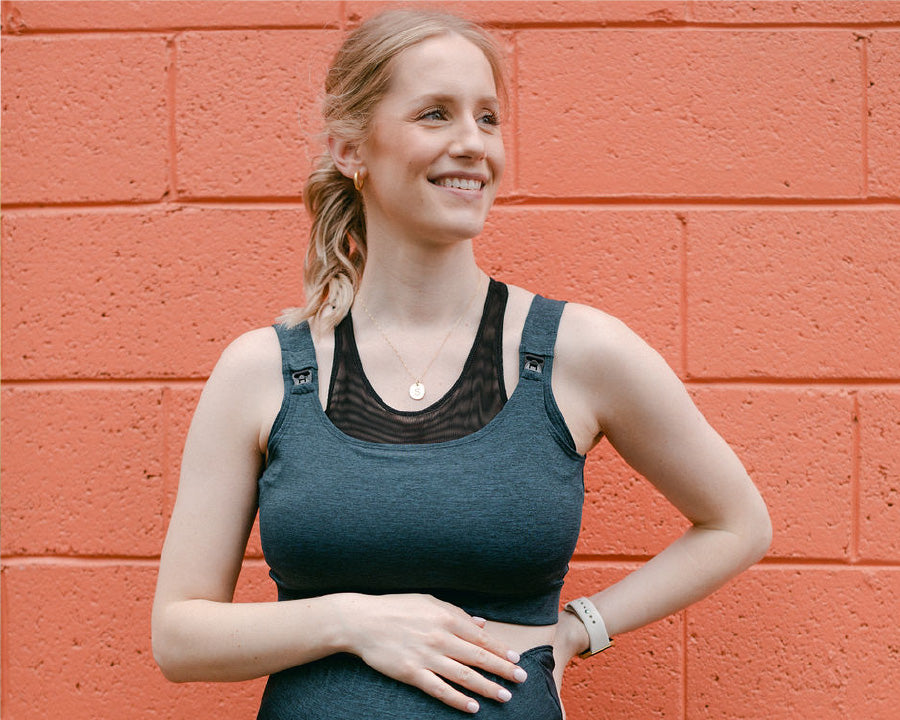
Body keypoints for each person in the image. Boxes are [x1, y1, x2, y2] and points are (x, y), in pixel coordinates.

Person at [151, 9, 772, 719]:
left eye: (488, 118)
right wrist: (353, 621)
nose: (473, 144)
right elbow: (179, 637)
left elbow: (738, 523)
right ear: (350, 149)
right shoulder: (263, 370)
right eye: (435, 114)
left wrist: (579, 629)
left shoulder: (576, 351)